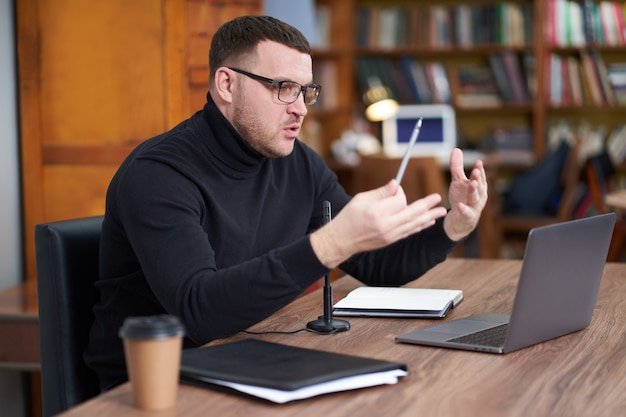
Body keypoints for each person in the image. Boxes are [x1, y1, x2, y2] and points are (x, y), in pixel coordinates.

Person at [85, 15, 488, 391]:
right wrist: (331, 243)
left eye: (305, 91)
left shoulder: (299, 164)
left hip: (247, 359)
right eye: (282, 88)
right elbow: (200, 312)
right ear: (227, 84)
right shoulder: (158, 174)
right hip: (151, 386)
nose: (299, 108)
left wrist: (455, 224)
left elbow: (378, 264)